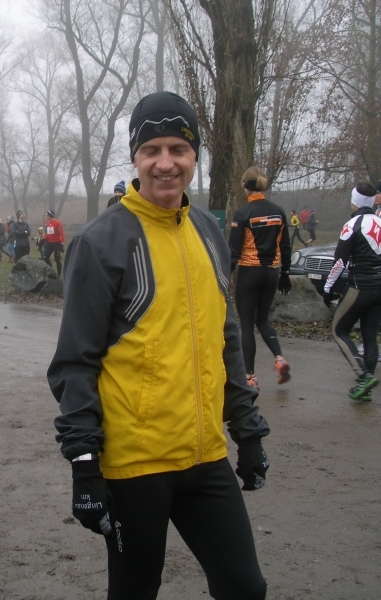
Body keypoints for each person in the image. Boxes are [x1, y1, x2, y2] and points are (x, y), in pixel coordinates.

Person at [48, 91, 269, 600]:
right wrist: (83, 464)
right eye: (152, 150)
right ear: (136, 157)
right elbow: (74, 363)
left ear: (194, 157)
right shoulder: (100, 241)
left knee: (245, 588)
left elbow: (225, 339)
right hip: (136, 466)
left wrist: (248, 430)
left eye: (178, 149)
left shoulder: (209, 230)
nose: (165, 163)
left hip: (205, 456)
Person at [228, 167, 292, 390]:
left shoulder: (242, 213)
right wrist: (286, 274)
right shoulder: (278, 211)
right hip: (272, 272)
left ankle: (250, 377)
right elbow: (286, 245)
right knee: (263, 320)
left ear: (246, 186)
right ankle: (279, 359)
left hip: (249, 271)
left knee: (246, 324)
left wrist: (225, 276)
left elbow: (234, 251)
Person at [323, 182, 381, 400]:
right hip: (379, 287)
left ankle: (363, 376)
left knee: (339, 330)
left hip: (360, 287)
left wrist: (328, 288)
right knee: (370, 335)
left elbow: (339, 262)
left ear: (354, 202)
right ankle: (366, 389)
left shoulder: (351, 225)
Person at [43, 209, 65, 276]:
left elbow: (61, 234)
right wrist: (43, 239)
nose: (46, 216)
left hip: (57, 243)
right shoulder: (47, 222)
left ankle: (59, 274)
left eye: (47, 215)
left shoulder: (57, 223)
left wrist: (62, 243)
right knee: (45, 257)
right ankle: (51, 270)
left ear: (50, 215)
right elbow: (48, 233)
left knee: (57, 259)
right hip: (49, 242)